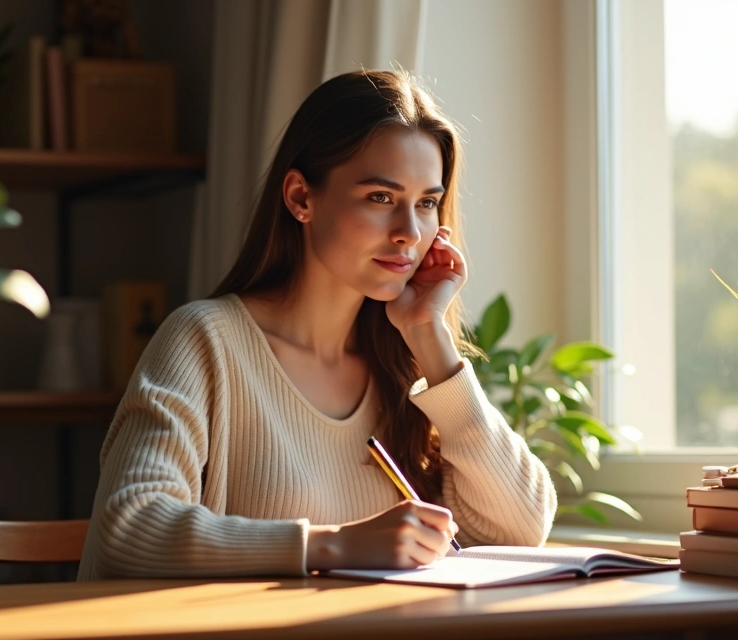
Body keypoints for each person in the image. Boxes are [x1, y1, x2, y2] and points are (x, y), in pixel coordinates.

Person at [78, 69, 557, 580]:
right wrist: (334, 545)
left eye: (426, 203)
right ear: (300, 198)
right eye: (380, 198)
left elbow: (521, 528)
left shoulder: (400, 366)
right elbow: (126, 529)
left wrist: (429, 336)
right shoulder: (204, 340)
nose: (409, 233)